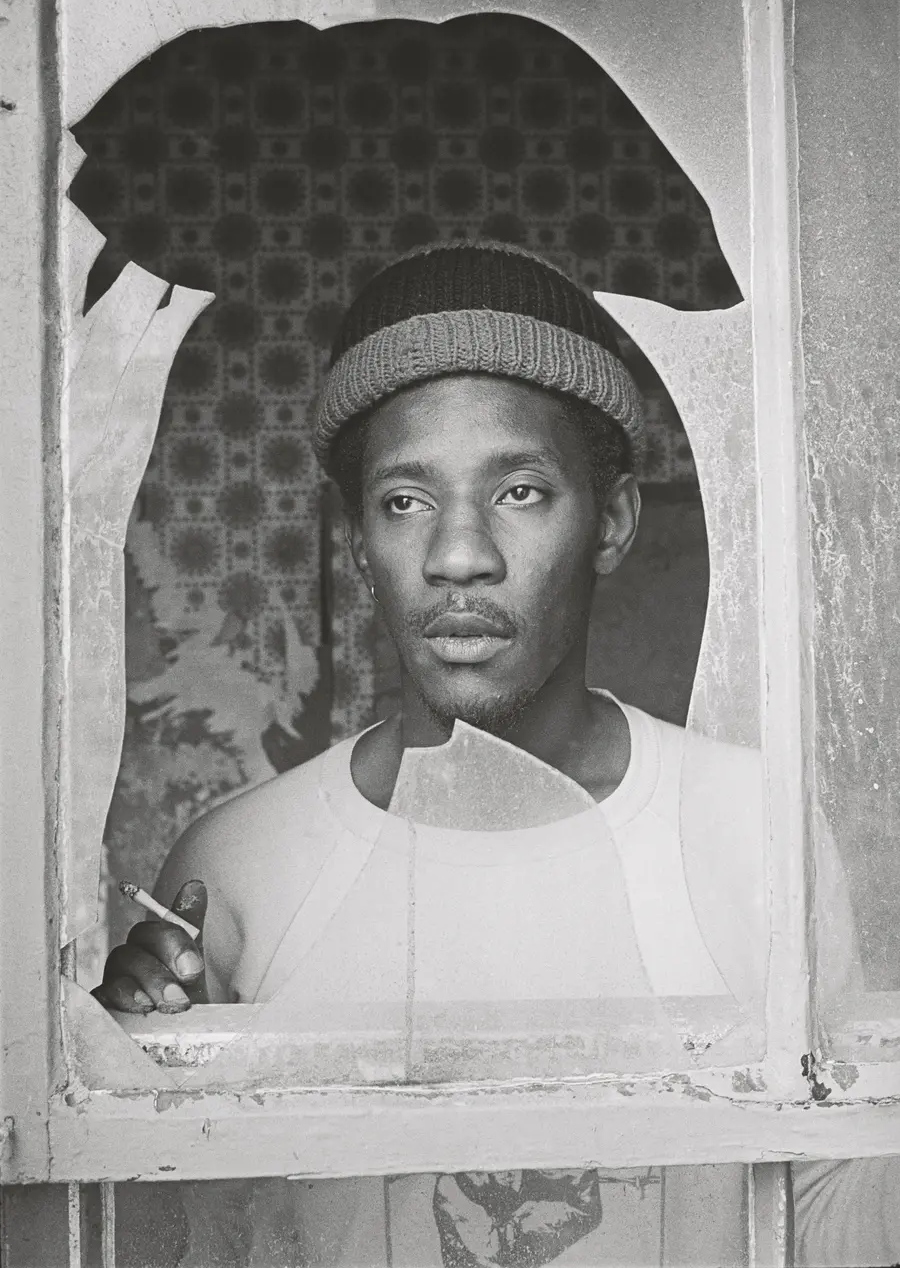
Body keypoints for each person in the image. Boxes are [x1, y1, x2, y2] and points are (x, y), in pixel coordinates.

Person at [94, 242, 897, 1267]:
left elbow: (834, 1222)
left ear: (611, 521)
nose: (458, 554)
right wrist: (123, 1080)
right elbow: (195, 1242)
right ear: (358, 541)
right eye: (406, 500)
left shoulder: (753, 834)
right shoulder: (238, 867)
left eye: (519, 490)